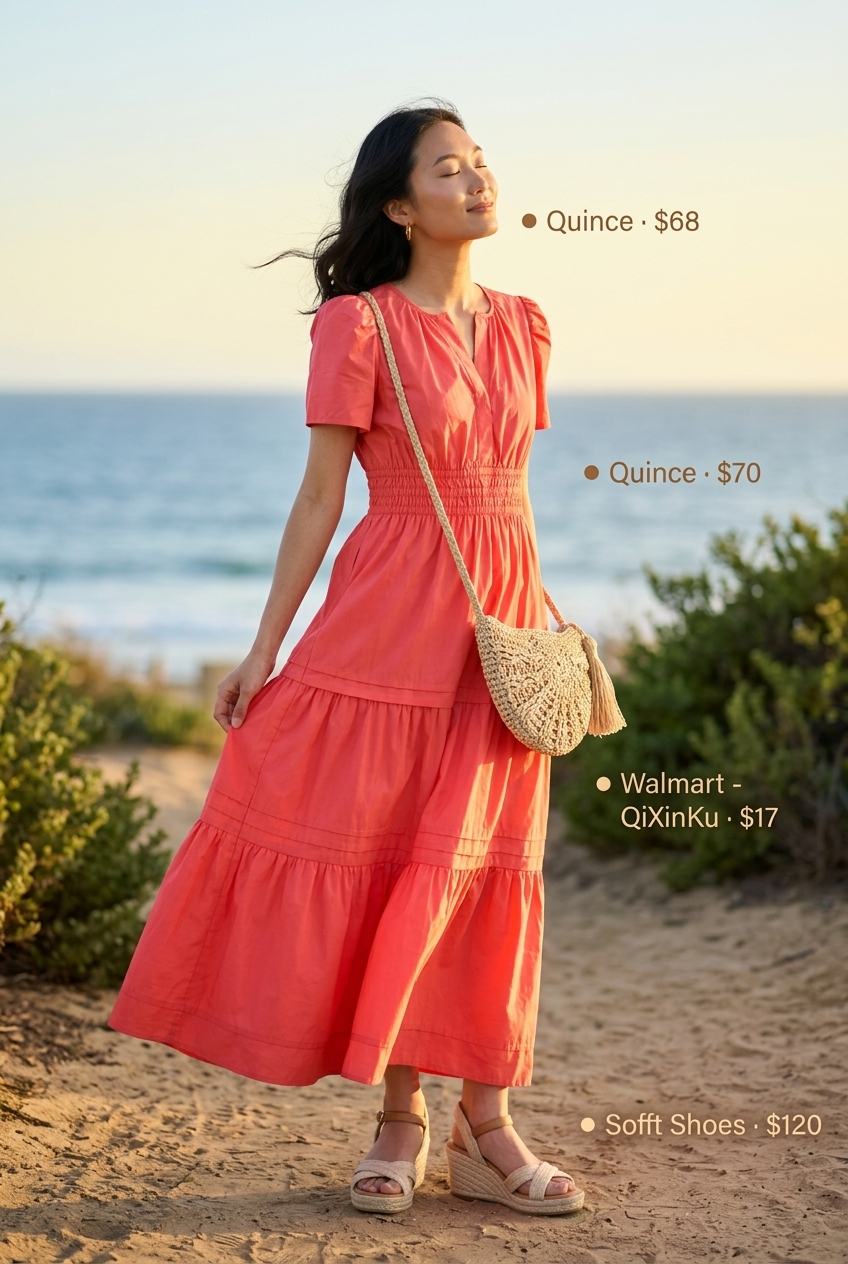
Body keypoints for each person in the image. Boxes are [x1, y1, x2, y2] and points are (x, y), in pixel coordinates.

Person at [108, 101, 584, 1217]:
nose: (476, 180)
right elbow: (322, 496)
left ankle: (487, 1123)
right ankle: (401, 1119)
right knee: (397, 860)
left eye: (479, 162)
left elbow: (507, 492)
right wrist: (263, 647)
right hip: (390, 619)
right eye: (447, 168)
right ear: (398, 206)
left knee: (485, 867)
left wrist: (541, 620)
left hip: (498, 625)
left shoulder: (526, 324)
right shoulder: (357, 325)